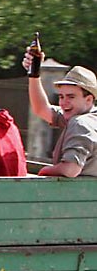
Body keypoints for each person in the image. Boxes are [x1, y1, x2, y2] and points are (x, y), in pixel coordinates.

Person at [24, 49, 97, 177]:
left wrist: (44, 172)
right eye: (61, 97)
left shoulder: (80, 122)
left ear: (89, 99)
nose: (63, 102)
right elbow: (41, 109)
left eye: (71, 97)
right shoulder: (87, 118)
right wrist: (34, 74)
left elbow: (70, 169)